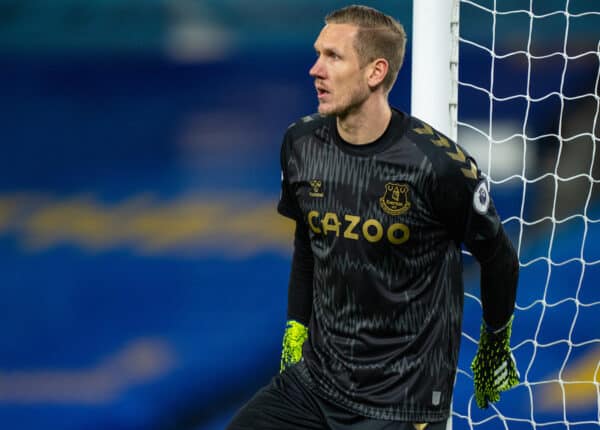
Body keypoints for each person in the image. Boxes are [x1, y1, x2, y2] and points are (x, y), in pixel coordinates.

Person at [228, 4, 519, 429]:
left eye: (333, 56)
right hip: (316, 385)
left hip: (401, 403)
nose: (315, 69)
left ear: (375, 72)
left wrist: (495, 340)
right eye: (317, 54)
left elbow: (498, 256)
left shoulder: (437, 165)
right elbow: (308, 242)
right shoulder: (301, 144)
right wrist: (296, 327)